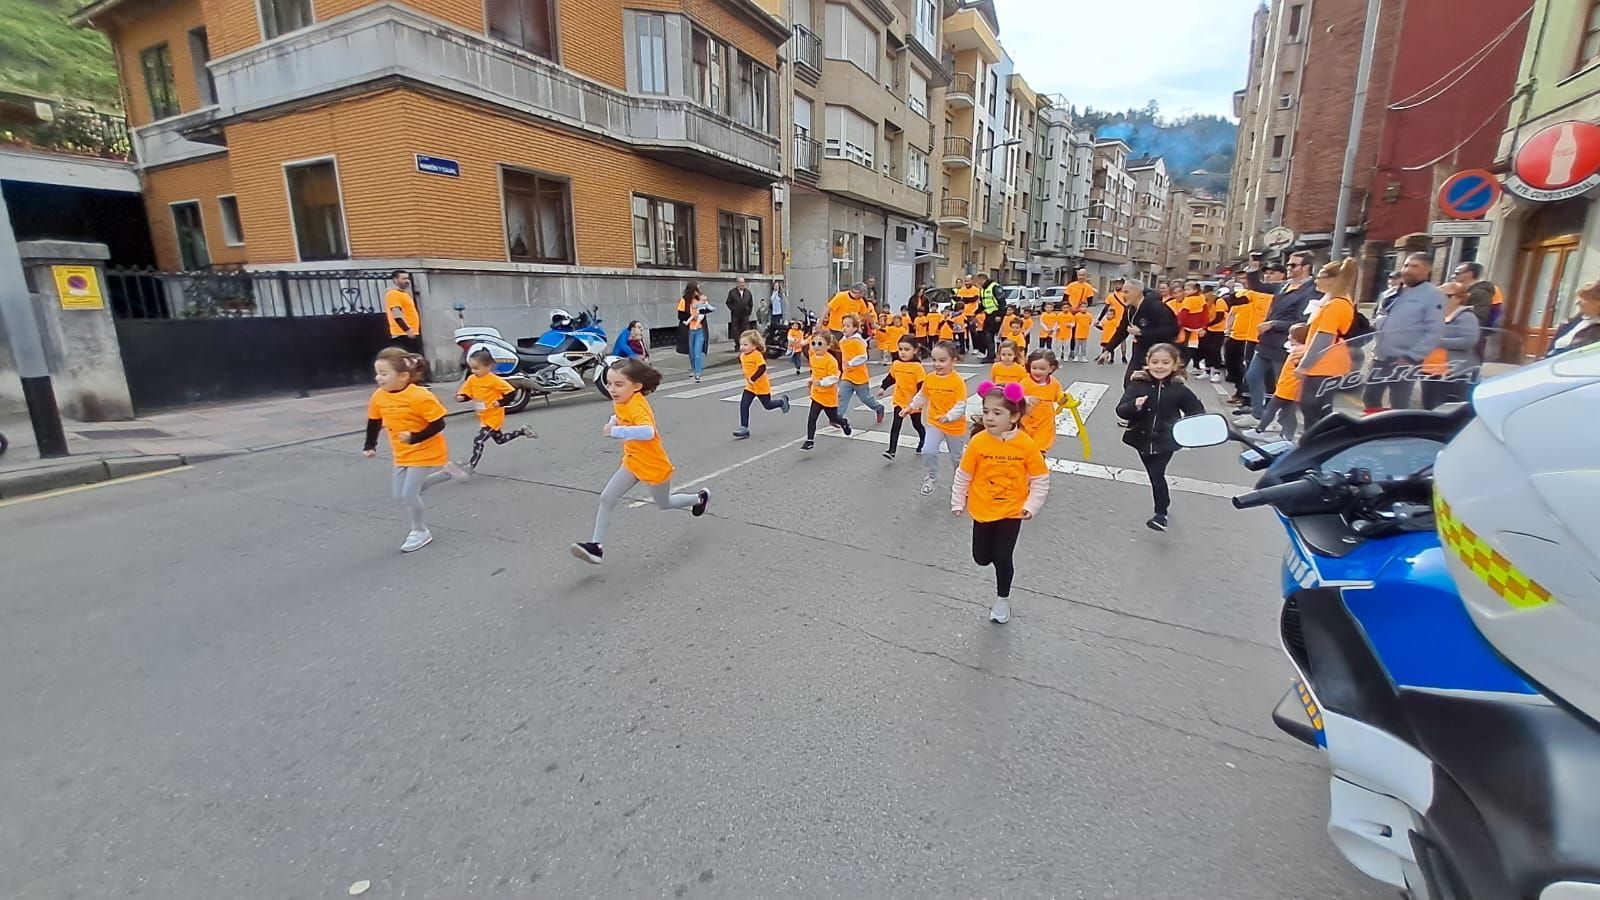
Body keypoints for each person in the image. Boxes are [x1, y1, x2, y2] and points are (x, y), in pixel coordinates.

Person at [571, 359, 710, 565]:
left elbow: (647, 431)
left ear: (636, 386)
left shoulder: (637, 404)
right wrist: (613, 421)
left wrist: (615, 431)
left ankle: (698, 499)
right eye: (609, 383)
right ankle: (596, 547)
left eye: (619, 384)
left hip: (653, 465)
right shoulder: (621, 400)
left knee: (664, 504)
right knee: (607, 497)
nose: (612, 389)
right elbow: (619, 414)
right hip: (632, 461)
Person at [953, 382, 1050, 625]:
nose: (989, 417)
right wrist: (958, 500)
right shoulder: (978, 441)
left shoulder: (1026, 444)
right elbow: (963, 474)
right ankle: (994, 558)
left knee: (1003, 556)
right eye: (986, 411)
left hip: (1012, 510)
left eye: (997, 413)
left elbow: (1040, 478)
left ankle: (1002, 599)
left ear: (1015, 416)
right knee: (981, 558)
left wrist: (1031, 505)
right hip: (983, 508)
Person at [362, 347, 465, 553]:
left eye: (384, 374)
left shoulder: (420, 396)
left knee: (409, 494)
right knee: (399, 495)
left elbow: (438, 424)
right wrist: (370, 445)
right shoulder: (379, 396)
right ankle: (446, 473)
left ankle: (420, 531)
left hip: (425, 449)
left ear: (403, 376)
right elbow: (374, 421)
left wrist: (414, 437)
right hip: (401, 452)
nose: (378, 378)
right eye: (377, 373)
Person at [1114, 343, 1204, 532]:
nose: (1159, 366)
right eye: (1155, 362)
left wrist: (1184, 432)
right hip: (1141, 438)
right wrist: (1134, 406)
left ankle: (1160, 514)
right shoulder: (1138, 385)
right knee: (1153, 473)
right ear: (1147, 363)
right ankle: (1163, 503)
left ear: (1174, 365)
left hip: (1166, 441)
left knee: (1157, 475)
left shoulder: (1179, 389)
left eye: (1165, 362)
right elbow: (1121, 411)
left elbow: (1196, 412)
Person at [1362, 252, 1445, 412]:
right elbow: (1378, 319)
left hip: (1405, 360)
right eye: (1406, 265)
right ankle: (1373, 428)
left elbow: (1434, 332)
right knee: (1370, 396)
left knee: (1398, 403)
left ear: (1427, 269)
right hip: (1380, 357)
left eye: (1415, 266)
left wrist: (1412, 357)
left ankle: (1394, 434)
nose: (1408, 270)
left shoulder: (1433, 295)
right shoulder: (1389, 294)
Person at [1243, 255, 1315, 424]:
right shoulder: (1284, 285)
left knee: (1282, 387)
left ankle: (1280, 423)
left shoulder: (1311, 291)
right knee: (1252, 376)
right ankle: (1258, 414)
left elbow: (1303, 321)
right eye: (1288, 264)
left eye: (1293, 265)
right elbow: (1259, 286)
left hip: (1286, 344)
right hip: (1266, 342)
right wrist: (1253, 269)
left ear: (1306, 267)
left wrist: (1274, 324)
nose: (1288, 267)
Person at [1296, 259, 1361, 426]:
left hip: (1323, 365)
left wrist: (1304, 365)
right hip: (1329, 364)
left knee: (1312, 409)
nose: (1315, 280)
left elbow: (1323, 339)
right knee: (1321, 409)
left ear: (1332, 280)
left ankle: (1315, 444)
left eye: (1319, 277)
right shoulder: (1339, 301)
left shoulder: (1335, 305)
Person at [456, 348, 538, 472]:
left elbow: (511, 392)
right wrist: (462, 397)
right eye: (472, 368)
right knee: (500, 440)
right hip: (483, 416)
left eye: (477, 368)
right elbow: (467, 392)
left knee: (478, 441)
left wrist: (501, 402)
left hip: (493, 417)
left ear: (489, 366)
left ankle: (471, 466)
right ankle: (523, 431)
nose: (474, 371)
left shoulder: (494, 380)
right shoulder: (472, 379)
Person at [908, 340, 971, 496]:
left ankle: (962, 481)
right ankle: (932, 477)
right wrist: (910, 407)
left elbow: (961, 404)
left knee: (957, 458)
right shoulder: (930, 378)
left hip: (954, 426)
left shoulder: (957, 381)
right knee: (928, 450)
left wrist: (949, 417)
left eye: (942, 360)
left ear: (953, 361)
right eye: (934, 360)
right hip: (934, 422)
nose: (937, 364)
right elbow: (922, 395)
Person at [1419, 283, 1481, 410]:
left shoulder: (1466, 316)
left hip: (1453, 371)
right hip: (1428, 369)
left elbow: (1469, 340)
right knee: (1429, 407)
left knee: (1447, 409)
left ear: (1458, 298)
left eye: (1445, 295)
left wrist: (1436, 341)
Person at [1100, 287, 1179, 386]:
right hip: (1139, 351)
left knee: (1157, 385)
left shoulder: (1157, 307)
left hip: (1159, 352)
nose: (1123, 295)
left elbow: (1172, 331)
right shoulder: (1129, 310)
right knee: (1129, 383)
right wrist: (1108, 349)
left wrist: (1142, 332)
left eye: (1126, 291)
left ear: (1137, 293)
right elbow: (1122, 331)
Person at [1245, 323, 1308, 442]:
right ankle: (1287, 437)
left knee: (1271, 408)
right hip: (1296, 390)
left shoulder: (1298, 351)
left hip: (1286, 387)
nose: (1288, 337)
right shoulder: (1304, 349)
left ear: (1297, 338)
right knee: (1289, 414)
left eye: (1291, 335)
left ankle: (1260, 430)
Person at [732, 330, 791, 439]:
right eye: (741, 345)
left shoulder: (757, 355)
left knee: (768, 406)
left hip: (761, 386)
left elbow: (762, 368)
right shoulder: (742, 356)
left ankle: (782, 402)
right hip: (750, 387)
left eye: (745, 345)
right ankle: (744, 428)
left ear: (754, 345)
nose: (742, 347)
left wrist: (753, 378)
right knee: (744, 405)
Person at [801, 329, 852, 451]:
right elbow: (814, 372)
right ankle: (810, 440)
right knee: (812, 417)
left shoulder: (830, 360)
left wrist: (822, 382)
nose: (816, 347)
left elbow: (834, 377)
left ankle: (844, 422)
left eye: (820, 344)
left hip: (828, 395)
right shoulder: (813, 357)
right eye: (813, 344)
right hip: (817, 394)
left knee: (834, 418)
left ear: (828, 345)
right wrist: (811, 380)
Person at [878, 335, 927, 460]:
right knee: (896, 425)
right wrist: (883, 387)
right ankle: (892, 451)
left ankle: (924, 439)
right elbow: (891, 378)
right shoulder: (896, 364)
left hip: (913, 402)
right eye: (900, 349)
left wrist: (920, 402)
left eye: (907, 349)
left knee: (916, 425)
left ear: (915, 350)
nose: (903, 352)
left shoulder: (917, 367)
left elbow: (922, 385)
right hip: (899, 400)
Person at [836, 315, 886, 426]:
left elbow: (863, 356)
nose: (844, 328)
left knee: (866, 399)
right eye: (843, 325)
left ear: (855, 328)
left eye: (848, 326)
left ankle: (879, 408)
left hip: (860, 378)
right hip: (847, 376)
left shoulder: (858, 341)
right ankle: (838, 418)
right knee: (842, 397)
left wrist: (851, 363)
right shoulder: (842, 341)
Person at [384, 271, 429, 381]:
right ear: (395, 280)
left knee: (413, 359)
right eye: (403, 278)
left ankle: (415, 381)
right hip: (403, 334)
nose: (407, 281)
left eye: (407, 278)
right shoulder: (393, 294)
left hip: (411, 332)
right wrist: (407, 330)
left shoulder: (404, 294)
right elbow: (397, 314)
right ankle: (411, 381)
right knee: (408, 360)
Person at [1020, 348, 1064, 454]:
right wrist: (1026, 398)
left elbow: (1059, 398)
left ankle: (1038, 466)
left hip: (1045, 423)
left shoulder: (1054, 383)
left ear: (1051, 368)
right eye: (1034, 368)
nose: (1037, 371)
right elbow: (1014, 398)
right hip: (1026, 423)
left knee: (1039, 450)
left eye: (1042, 369)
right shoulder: (1025, 383)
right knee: (1024, 449)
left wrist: (1064, 400)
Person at [1548, 280, 1600, 356]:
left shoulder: (1596, 329)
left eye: (1584, 299)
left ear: (1598, 302)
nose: (1577, 302)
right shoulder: (1573, 322)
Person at [1065, 269, 1097, 362]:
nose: (1081, 277)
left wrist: (1082, 309)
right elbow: (1065, 298)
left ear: (1086, 276)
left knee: (1078, 333)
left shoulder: (1088, 287)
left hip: (1080, 312)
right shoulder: (1071, 285)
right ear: (1077, 275)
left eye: (1083, 275)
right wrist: (1069, 307)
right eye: (1079, 275)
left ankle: (1075, 351)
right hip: (1070, 311)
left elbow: (1090, 301)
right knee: (1068, 331)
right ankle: (1068, 350)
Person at [1096, 282, 1128, 364]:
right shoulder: (1111, 296)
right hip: (1112, 319)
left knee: (1122, 339)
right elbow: (1106, 308)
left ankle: (1123, 356)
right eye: (1116, 284)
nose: (1117, 286)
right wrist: (1099, 319)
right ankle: (1104, 354)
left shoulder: (1125, 295)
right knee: (1107, 337)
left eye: (1120, 284)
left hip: (1123, 320)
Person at [686, 287, 714, 382]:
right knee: (692, 353)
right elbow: (684, 314)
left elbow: (708, 309)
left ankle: (698, 373)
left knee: (698, 352)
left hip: (700, 330)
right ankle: (694, 370)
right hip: (690, 329)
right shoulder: (687, 301)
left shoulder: (702, 300)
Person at [979, 276, 1003, 362]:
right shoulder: (983, 290)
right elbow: (983, 304)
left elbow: (1002, 301)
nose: (978, 283)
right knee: (986, 335)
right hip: (988, 315)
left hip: (996, 314)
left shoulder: (995, 287)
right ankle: (990, 355)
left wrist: (999, 315)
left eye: (979, 281)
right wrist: (976, 313)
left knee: (994, 335)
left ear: (983, 279)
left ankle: (995, 355)